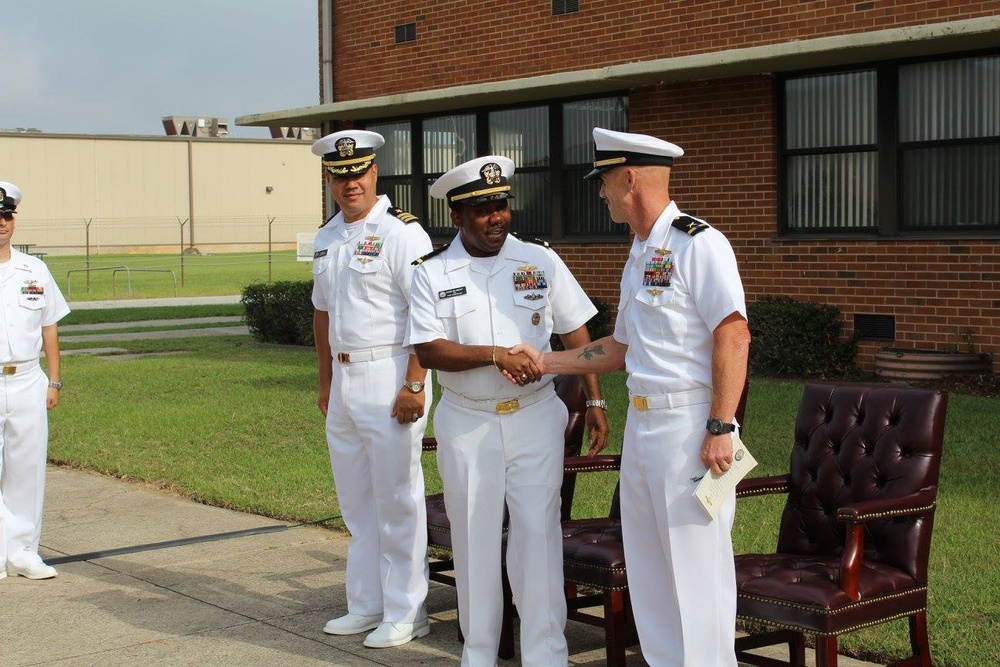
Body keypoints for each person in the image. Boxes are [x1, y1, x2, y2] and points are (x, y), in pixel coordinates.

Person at [509, 128, 751, 666]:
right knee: (649, 570)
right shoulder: (641, 251)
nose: (600, 194)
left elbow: (733, 333)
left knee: (697, 572)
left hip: (690, 426)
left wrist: (721, 426)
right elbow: (621, 346)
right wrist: (546, 361)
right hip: (644, 429)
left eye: (603, 183)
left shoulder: (699, 243)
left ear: (630, 179)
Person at [405, 155, 609, 667]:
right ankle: (478, 653)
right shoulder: (431, 272)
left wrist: (596, 396)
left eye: (501, 205)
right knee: (473, 539)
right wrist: (493, 355)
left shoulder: (539, 260)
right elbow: (428, 350)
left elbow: (574, 327)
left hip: (536, 415)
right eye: (481, 209)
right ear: (456, 216)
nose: (496, 217)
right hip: (468, 419)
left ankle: (546, 656)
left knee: (538, 538)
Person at [309, 130, 434, 648]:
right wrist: (325, 380)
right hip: (344, 380)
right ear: (329, 179)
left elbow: (425, 313)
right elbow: (322, 311)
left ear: (375, 172)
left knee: (398, 498)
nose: (349, 183)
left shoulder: (402, 233)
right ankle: (366, 604)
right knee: (357, 503)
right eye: (340, 175)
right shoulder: (326, 236)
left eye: (358, 172)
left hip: (391, 376)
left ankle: (409, 610)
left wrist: (415, 382)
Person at [0, 181, 70, 581]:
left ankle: (24, 551)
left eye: (7, 215)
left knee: (27, 469)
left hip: (27, 379)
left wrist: (54, 383)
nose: (2, 223)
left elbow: (49, 329)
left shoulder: (34, 270)